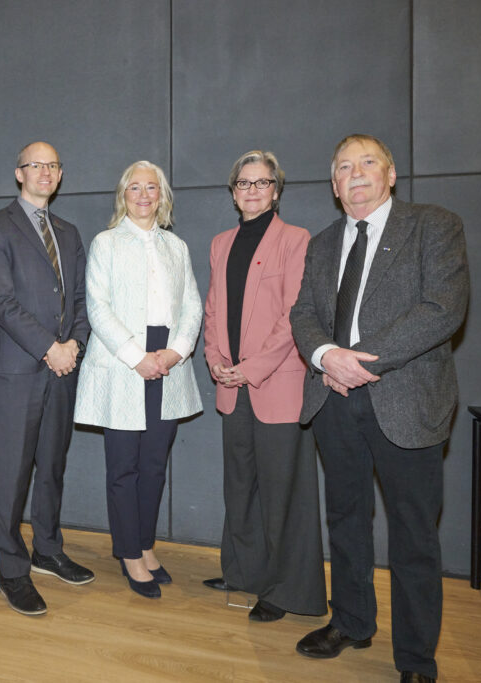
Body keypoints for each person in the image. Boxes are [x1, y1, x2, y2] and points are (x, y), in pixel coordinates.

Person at [290, 134, 469, 683]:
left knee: (414, 534)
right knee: (346, 520)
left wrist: (359, 361)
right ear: (334, 183)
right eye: (344, 166)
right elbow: (303, 314)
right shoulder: (321, 244)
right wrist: (325, 356)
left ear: (390, 175)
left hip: (405, 400)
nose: (356, 173)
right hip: (333, 401)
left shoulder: (433, 225)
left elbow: (442, 309)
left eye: (369, 163)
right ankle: (351, 621)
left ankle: (416, 660)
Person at [201, 150, 326, 622]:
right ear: (234, 193)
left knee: (283, 492)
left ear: (276, 190)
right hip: (232, 386)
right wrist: (216, 360)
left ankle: (288, 590)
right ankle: (245, 573)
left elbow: (295, 315)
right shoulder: (220, 243)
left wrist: (250, 367)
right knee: (241, 485)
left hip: (276, 384)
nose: (252, 190)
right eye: (243, 183)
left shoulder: (296, 240)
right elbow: (214, 311)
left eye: (261, 182)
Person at [0, 141, 94, 616]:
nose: (45, 172)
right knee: (13, 473)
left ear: (60, 175)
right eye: (35, 165)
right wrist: (50, 348)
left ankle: (46, 549)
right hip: (22, 369)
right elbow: (0, 302)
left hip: (65, 369)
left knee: (52, 465)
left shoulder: (68, 232)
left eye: (53, 166)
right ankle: (12, 571)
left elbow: (83, 301)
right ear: (18, 173)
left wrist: (75, 347)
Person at [74, 160, 203, 599]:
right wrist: (137, 357)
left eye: (152, 188)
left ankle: (146, 545)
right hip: (123, 363)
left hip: (168, 361)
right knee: (123, 466)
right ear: (123, 196)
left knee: (153, 466)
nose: (144, 195)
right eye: (135, 188)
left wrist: (175, 351)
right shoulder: (105, 243)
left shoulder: (177, 247)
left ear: (162, 196)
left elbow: (192, 307)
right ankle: (128, 552)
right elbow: (98, 309)